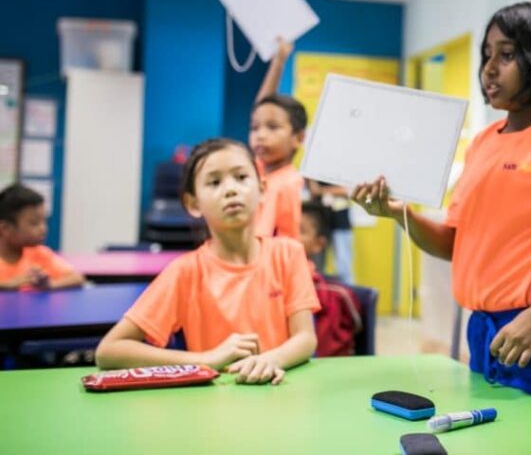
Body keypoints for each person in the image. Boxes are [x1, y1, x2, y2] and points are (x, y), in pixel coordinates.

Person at [353, 1, 531, 399]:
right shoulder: (483, 144)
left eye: (507, 55)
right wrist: (397, 213)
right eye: (487, 55)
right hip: (485, 328)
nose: (489, 68)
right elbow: (453, 244)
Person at [95, 138, 319, 385]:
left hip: (281, 398)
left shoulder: (288, 254)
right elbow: (109, 350)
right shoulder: (185, 272)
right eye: (214, 182)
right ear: (193, 203)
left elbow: (306, 338)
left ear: (262, 189)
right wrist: (205, 359)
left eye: (241, 177)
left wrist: (270, 360)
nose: (231, 189)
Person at [251, 38, 306, 240]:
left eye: (273, 127)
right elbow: (262, 108)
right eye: (255, 128)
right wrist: (278, 61)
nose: (261, 135)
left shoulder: (290, 184)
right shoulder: (255, 171)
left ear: (298, 138)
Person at [299, 200, 363, 357]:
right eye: (286, 227)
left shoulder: (331, 297)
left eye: (300, 230)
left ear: (319, 244)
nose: (290, 235)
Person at [0, 183, 84, 290]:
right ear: (5, 229)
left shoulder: (39, 254)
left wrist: (49, 285)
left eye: (43, 221)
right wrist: (5, 285)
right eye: (34, 223)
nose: (43, 229)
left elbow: (77, 278)